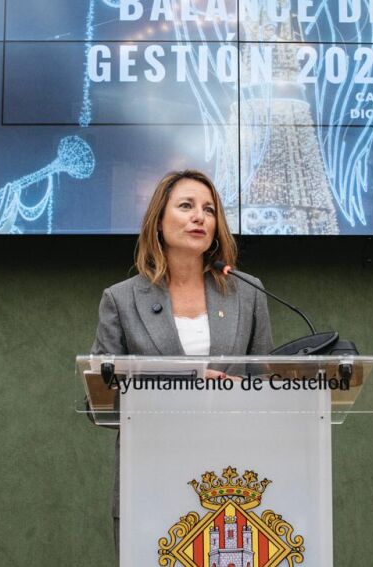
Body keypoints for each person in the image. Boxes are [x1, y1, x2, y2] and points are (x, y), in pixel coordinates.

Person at [90, 169, 274, 559]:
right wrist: (185, 380)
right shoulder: (120, 300)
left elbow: (268, 391)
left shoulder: (248, 293)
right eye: (186, 206)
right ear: (158, 221)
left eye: (209, 209)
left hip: (233, 479)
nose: (199, 217)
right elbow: (100, 404)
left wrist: (246, 392)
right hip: (152, 475)